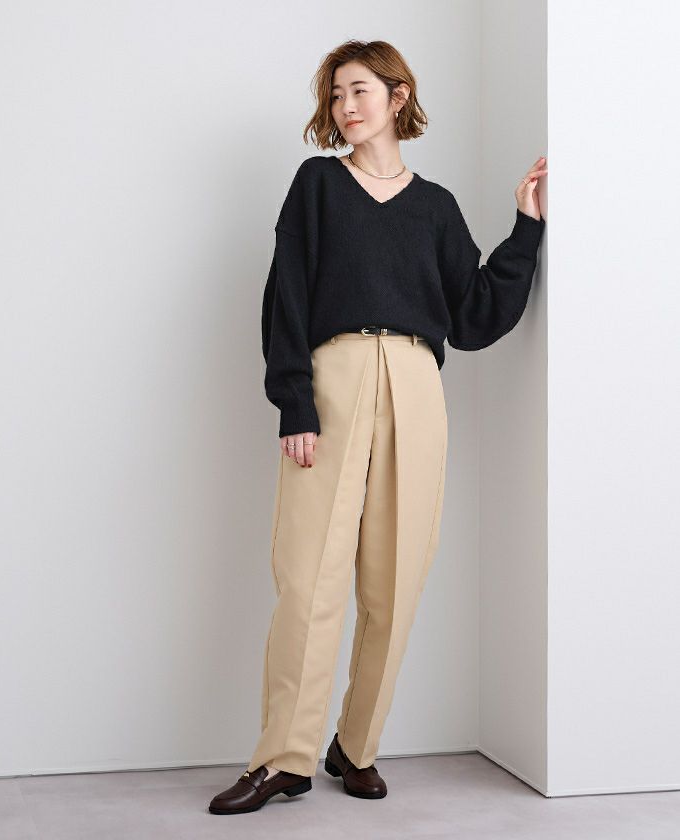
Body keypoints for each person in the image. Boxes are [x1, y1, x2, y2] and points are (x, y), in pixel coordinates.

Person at [209, 38, 546, 816]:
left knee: (396, 580)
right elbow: (286, 295)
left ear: (398, 96)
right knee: (308, 578)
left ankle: (354, 747)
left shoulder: (436, 207)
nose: (344, 106)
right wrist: (294, 400)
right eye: (335, 95)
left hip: (417, 384)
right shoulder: (318, 186)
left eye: (358, 90)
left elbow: (474, 315)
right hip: (334, 378)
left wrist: (526, 227)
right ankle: (284, 758)